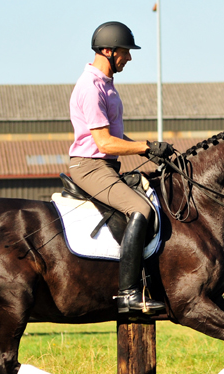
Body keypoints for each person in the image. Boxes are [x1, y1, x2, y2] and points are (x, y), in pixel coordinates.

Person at [68, 21, 174, 314]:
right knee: (141, 210)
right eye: (125, 52)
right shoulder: (90, 87)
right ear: (107, 50)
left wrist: (151, 150)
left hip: (105, 166)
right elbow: (104, 144)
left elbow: (115, 138)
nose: (129, 57)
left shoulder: (106, 86)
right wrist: (145, 146)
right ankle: (128, 294)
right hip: (90, 167)